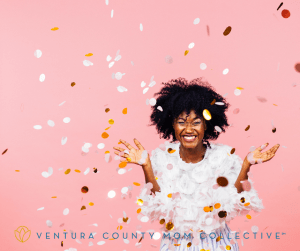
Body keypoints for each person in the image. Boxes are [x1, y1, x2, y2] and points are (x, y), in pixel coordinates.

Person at [113, 77, 280, 251]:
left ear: (207, 125)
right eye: (181, 122)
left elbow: (232, 199)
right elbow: (159, 202)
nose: (189, 129)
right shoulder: (162, 157)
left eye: (196, 122)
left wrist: (247, 164)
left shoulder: (223, 156)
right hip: (176, 244)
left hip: (217, 243)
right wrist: (146, 165)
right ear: (172, 125)